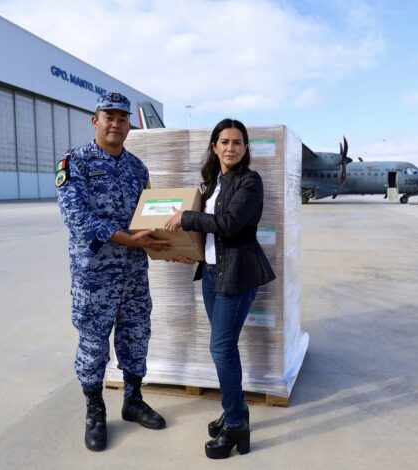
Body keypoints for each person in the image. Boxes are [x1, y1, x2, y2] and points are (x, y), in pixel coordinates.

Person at [56, 91, 172, 452]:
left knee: (136, 336)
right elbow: (77, 220)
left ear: (128, 126)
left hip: (134, 274)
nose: (116, 124)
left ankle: (133, 401)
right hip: (95, 277)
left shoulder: (138, 169)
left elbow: (150, 217)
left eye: (122, 119)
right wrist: (129, 240)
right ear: (95, 121)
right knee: (93, 345)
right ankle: (95, 410)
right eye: (109, 117)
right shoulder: (74, 163)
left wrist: (175, 246)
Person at [165, 118, 276, 459]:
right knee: (224, 348)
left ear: (245, 149)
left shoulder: (250, 182)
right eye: (224, 141)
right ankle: (235, 412)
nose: (231, 147)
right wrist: (187, 250)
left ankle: (236, 424)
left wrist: (186, 219)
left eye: (237, 142)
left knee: (221, 349)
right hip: (212, 274)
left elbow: (228, 226)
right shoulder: (212, 184)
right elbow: (209, 235)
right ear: (214, 146)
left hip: (237, 276)